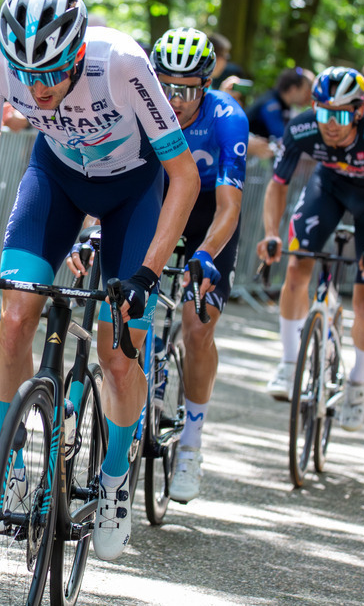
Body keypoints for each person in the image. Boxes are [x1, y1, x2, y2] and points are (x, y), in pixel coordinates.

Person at [0, 0, 198, 561]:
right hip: (55, 180)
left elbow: (183, 177)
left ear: (80, 52)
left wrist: (148, 273)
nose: (35, 90)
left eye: (50, 75)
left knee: (117, 352)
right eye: (25, 76)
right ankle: (10, 467)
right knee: (14, 319)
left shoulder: (123, 63)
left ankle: (113, 481)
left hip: (133, 194)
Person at [257, 66, 364, 432]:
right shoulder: (302, 127)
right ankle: (287, 363)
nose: (330, 124)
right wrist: (271, 233)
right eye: (324, 112)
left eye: (341, 115)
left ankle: (358, 382)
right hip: (328, 188)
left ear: (359, 112)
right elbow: (278, 184)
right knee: (297, 268)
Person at [148, 28, 247, 502]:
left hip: (209, 210)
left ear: (205, 87)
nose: (173, 100)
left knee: (197, 324)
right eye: (164, 85)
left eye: (184, 90)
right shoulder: (142, 104)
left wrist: (206, 253)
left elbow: (230, 207)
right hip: (160, 199)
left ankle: (191, 443)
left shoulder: (228, 118)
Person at [246, 67, 313, 147]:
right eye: (305, 92)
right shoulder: (272, 105)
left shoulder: (285, 105)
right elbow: (282, 139)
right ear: (293, 89)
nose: (308, 97)